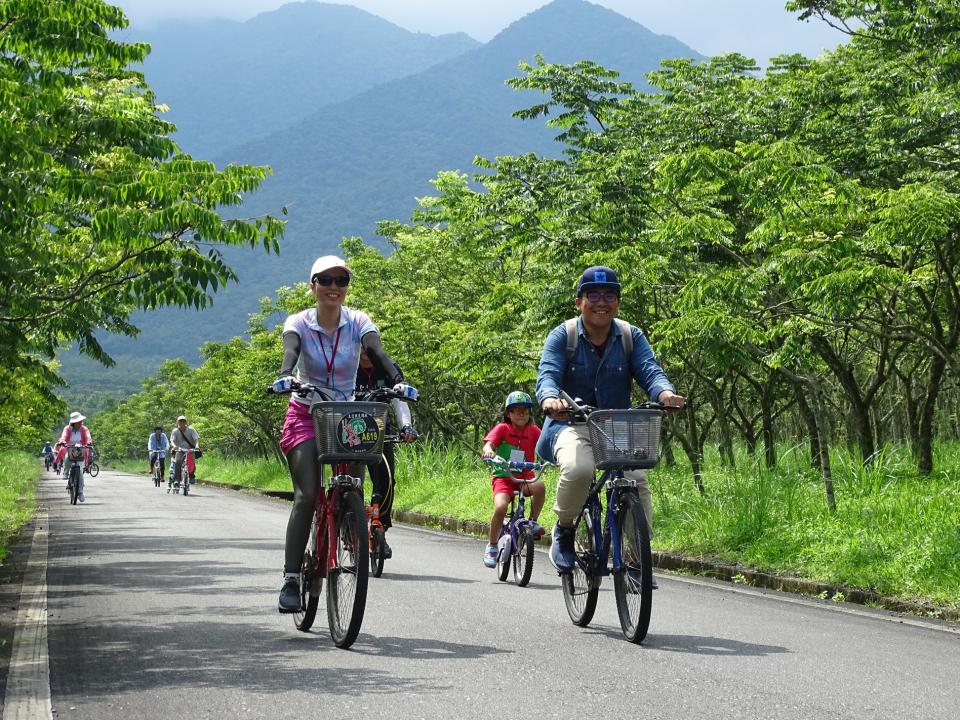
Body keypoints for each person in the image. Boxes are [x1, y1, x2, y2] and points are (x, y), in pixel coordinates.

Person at [271, 255, 417, 613]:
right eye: (326, 280)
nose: (334, 287)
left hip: (347, 416)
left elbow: (377, 352)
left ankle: (348, 523)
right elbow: (290, 351)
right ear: (313, 285)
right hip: (306, 412)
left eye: (341, 281)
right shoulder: (299, 323)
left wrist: (398, 383)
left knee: (352, 484)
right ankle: (291, 577)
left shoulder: (359, 322)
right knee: (307, 495)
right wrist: (287, 374)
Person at [536, 266, 685, 578]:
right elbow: (548, 374)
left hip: (618, 428)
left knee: (637, 482)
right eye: (593, 295)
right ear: (579, 301)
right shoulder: (564, 336)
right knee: (579, 469)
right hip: (570, 424)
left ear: (617, 302)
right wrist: (550, 399)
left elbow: (650, 370)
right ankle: (564, 530)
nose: (601, 302)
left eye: (609, 295)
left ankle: (635, 557)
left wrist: (665, 393)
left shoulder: (631, 336)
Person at [355, 349, 418, 560]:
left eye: (368, 348)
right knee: (351, 481)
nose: (364, 353)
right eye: (360, 347)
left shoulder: (389, 369)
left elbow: (399, 402)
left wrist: (406, 427)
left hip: (380, 431)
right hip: (349, 433)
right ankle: (348, 524)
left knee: (387, 479)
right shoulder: (346, 367)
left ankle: (380, 525)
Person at [480, 391, 544, 568]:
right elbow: (489, 443)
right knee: (501, 507)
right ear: (509, 413)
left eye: (525, 410)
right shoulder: (503, 429)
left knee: (539, 487)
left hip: (525, 477)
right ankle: (492, 546)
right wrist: (489, 450)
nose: (521, 413)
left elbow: (547, 444)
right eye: (516, 410)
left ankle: (532, 522)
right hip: (504, 476)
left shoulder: (534, 430)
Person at [54, 411, 93, 502]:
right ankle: (66, 472)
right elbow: (64, 437)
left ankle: (80, 492)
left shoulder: (84, 429)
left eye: (81, 421)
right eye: (79, 421)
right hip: (69, 448)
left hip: (81, 450)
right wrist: (63, 442)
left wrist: (89, 442)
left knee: (80, 471)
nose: (80, 423)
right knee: (67, 458)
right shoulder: (67, 429)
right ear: (74, 422)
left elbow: (88, 437)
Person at [170, 415, 201, 490]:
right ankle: (177, 480)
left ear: (186, 422)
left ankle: (191, 475)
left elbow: (196, 439)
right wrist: (174, 446)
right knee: (178, 462)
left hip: (190, 450)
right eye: (180, 421)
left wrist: (197, 446)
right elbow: (172, 441)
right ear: (177, 422)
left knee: (191, 462)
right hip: (180, 450)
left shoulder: (191, 430)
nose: (182, 423)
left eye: (183, 421)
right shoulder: (175, 431)